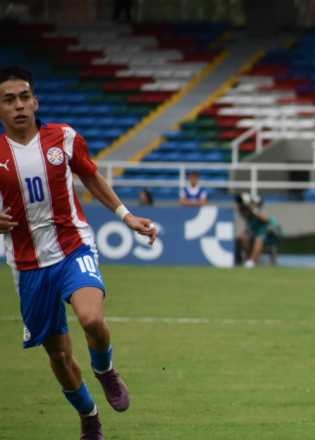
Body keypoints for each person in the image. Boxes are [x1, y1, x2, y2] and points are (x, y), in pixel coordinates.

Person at [0, 65, 158, 439]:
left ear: (36, 101)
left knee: (91, 320)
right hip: (28, 265)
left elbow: (90, 175)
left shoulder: (64, 138)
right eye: (9, 100)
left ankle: (105, 371)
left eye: (24, 97)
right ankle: (89, 416)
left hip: (74, 246)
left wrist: (126, 215)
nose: (19, 106)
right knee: (58, 356)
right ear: (1, 109)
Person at [238, 192, 280, 268]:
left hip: (271, 233)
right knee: (243, 237)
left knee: (259, 239)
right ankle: (248, 259)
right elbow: (249, 225)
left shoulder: (259, 211)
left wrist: (253, 209)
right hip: (258, 233)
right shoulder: (249, 214)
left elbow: (266, 220)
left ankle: (252, 261)